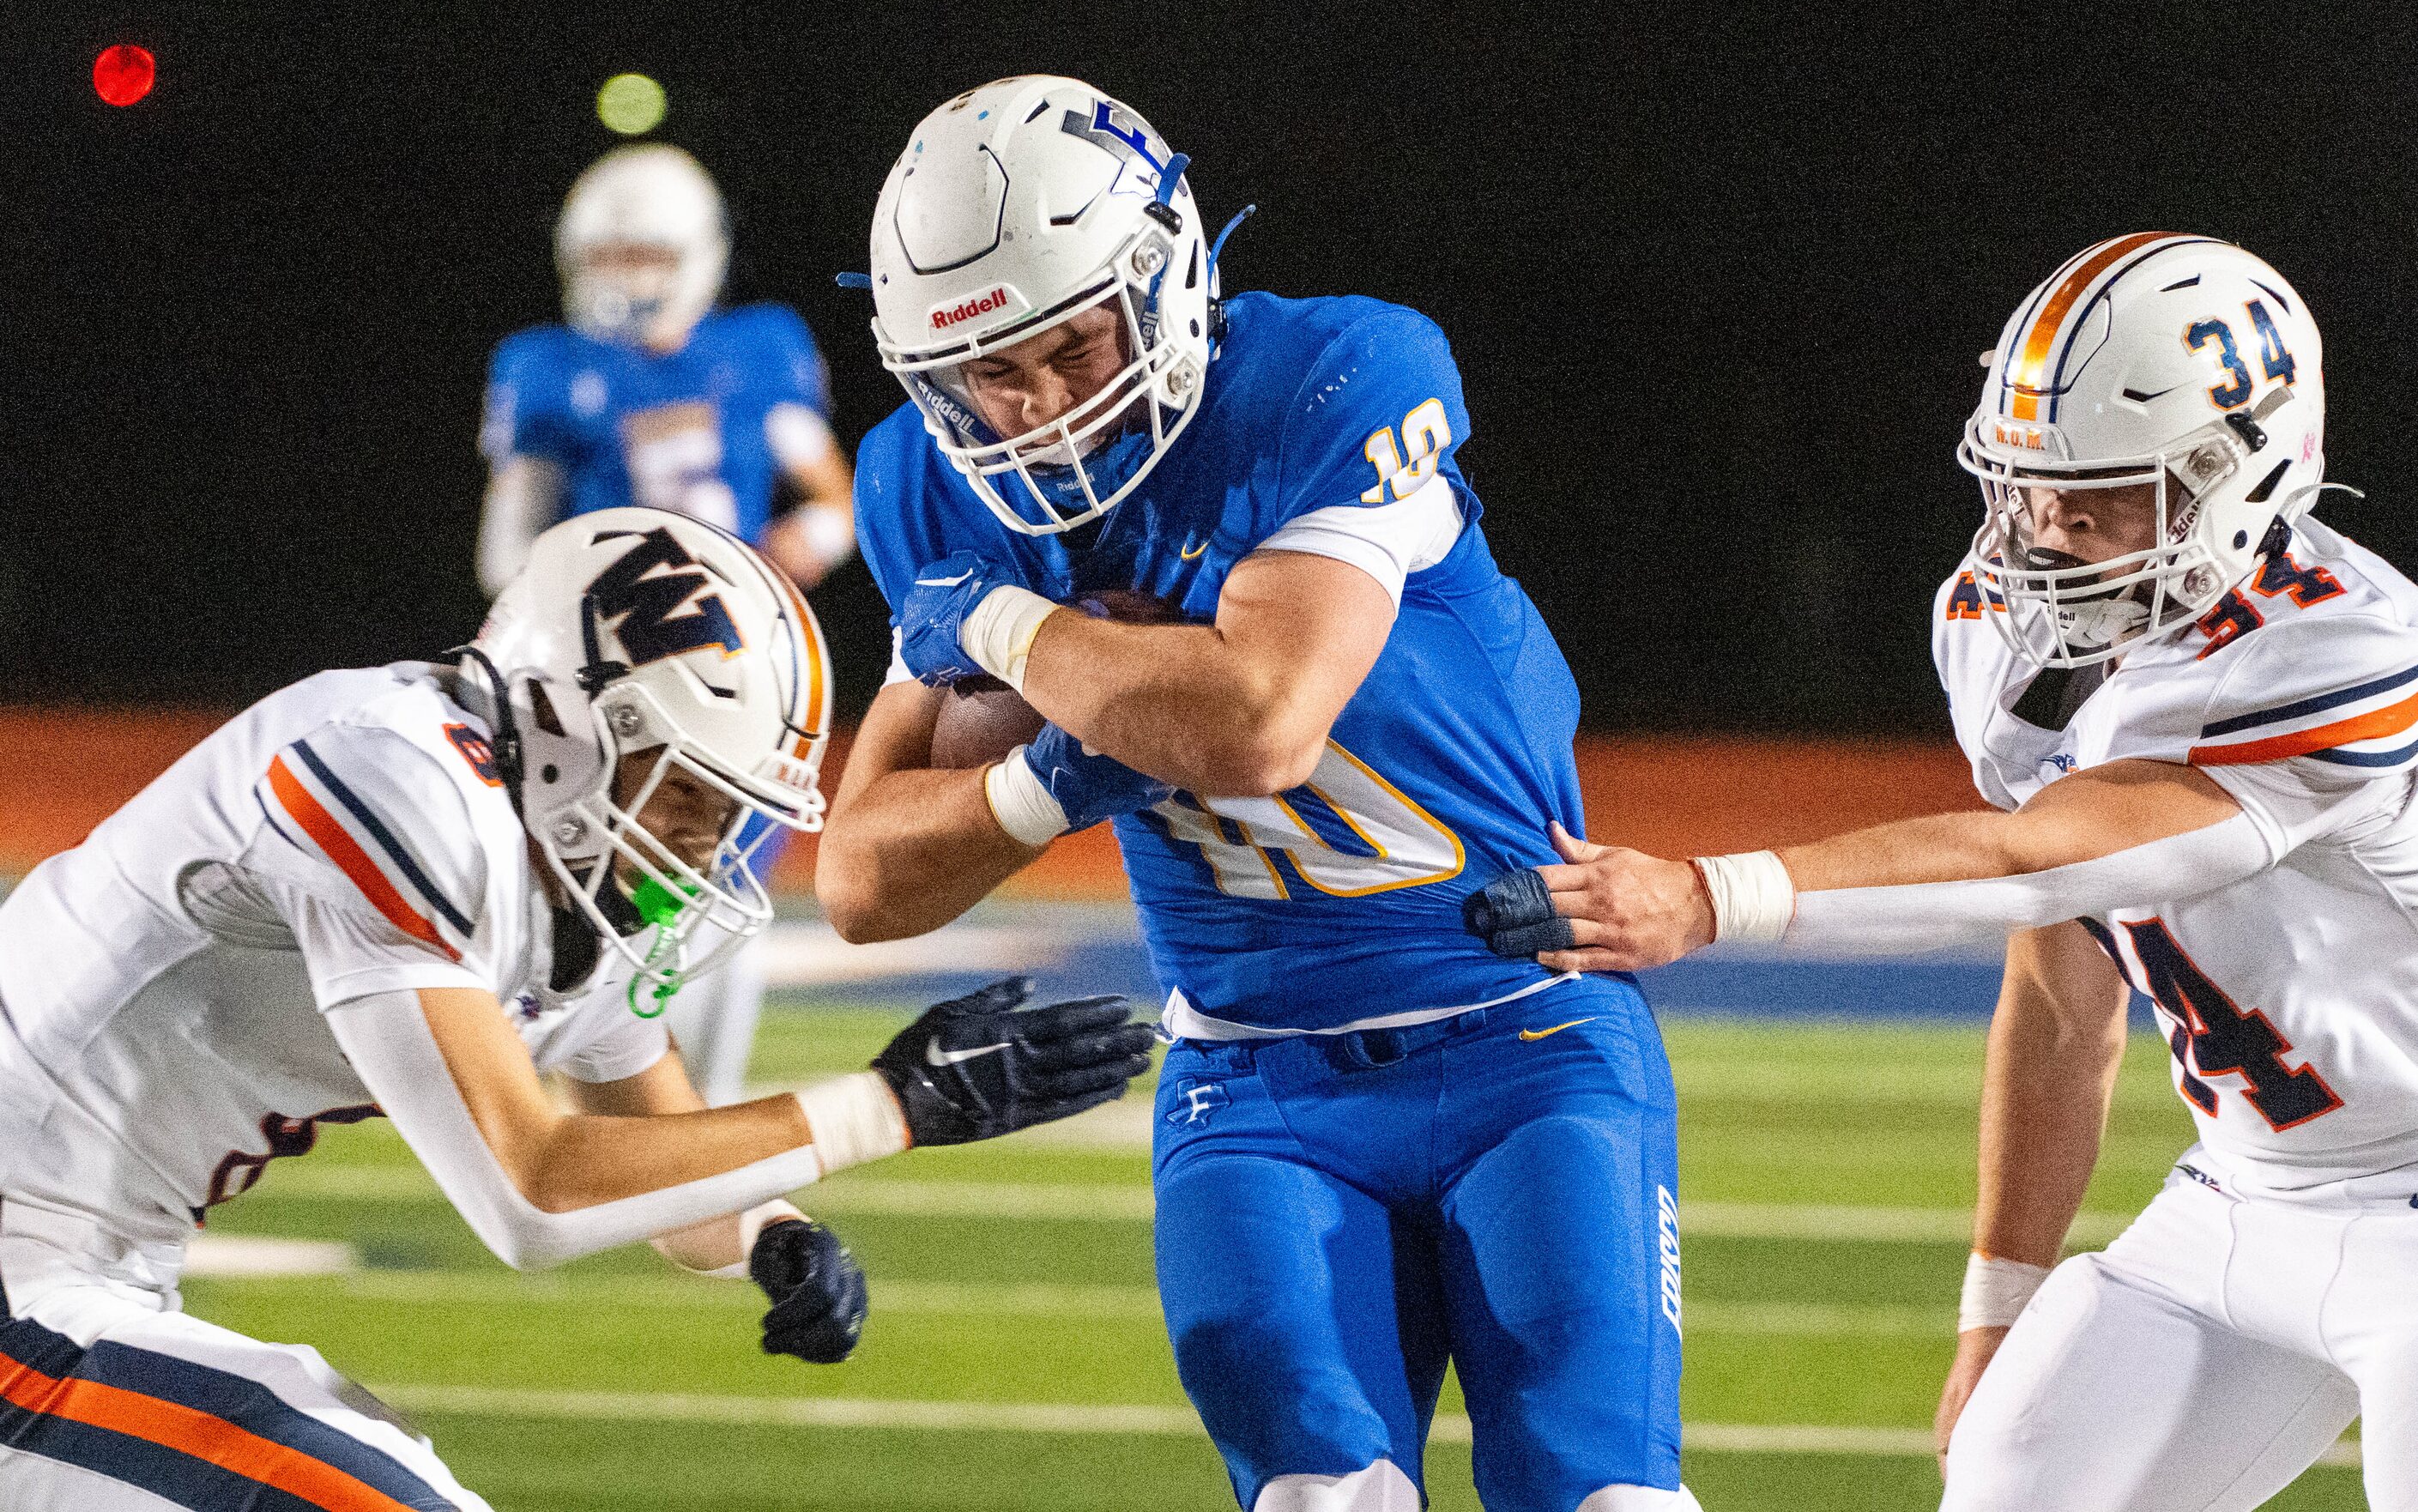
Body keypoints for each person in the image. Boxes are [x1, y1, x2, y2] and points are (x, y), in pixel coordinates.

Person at [819, 75, 1696, 1512]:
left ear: (1163, 275)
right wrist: (1055, 769)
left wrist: (1002, 630)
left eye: (1068, 340)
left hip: (1521, 1033)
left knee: (1595, 1494)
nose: (1032, 406)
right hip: (1250, 1077)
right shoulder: (929, 483)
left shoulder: (1340, 373)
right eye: (989, 373)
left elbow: (1259, 726)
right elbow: (860, 878)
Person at [1468, 233, 2418, 1510]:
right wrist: (1998, 1303)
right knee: (2010, 1479)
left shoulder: (2340, 652)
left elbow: (2031, 861)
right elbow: (2058, 983)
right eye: (2028, 484)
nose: (2047, 526)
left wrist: (1710, 894)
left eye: (2101, 491)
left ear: (2234, 477)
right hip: (2242, 1196)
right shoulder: (2007, 630)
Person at [0, 506, 1153, 1510]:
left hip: (84, 1269)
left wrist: (767, 1231)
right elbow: (531, 1190)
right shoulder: (382, 771)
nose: (706, 844)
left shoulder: (566, 871)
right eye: (692, 793)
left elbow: (649, 1171)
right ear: (564, 722)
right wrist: (890, 1105)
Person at [477, 142, 855, 1104]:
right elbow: (506, 544)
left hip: (737, 668)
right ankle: (552, 1079)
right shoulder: (547, 368)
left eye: (645, 256)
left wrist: (786, 550)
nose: (626, 282)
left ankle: (693, 1106)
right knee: (581, 877)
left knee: (714, 884)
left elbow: (833, 500)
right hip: (608, 670)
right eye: (608, 260)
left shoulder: (753, 350)